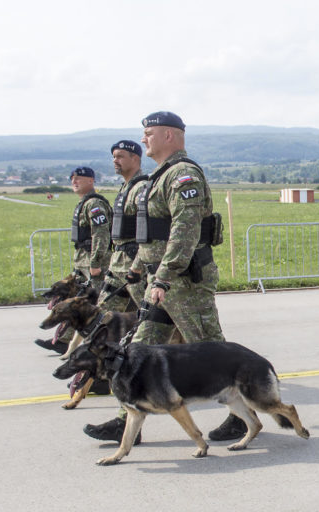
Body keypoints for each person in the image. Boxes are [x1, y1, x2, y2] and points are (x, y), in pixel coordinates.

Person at [83, 111, 232, 443]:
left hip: (184, 281)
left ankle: (240, 413)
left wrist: (162, 277)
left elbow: (184, 232)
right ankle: (127, 424)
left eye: (149, 133)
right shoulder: (159, 177)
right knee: (139, 350)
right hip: (160, 281)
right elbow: (151, 235)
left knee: (211, 351)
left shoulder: (183, 175)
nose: (144, 139)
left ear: (170, 136)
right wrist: (138, 267)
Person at [35, 166, 112, 354]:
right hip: (83, 262)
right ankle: (64, 340)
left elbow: (101, 235)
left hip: (94, 264)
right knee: (74, 303)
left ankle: (93, 343)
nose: (74, 182)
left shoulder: (94, 204)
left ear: (91, 180)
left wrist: (96, 262)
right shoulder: (83, 203)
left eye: (79, 178)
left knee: (98, 304)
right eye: (72, 179)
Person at [96, 140, 148, 312]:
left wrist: (139, 264)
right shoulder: (126, 187)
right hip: (118, 261)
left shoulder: (141, 188)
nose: (115, 161)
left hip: (133, 261)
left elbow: (148, 229)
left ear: (135, 159)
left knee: (151, 313)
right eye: (113, 157)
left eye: (120, 157)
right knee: (103, 314)